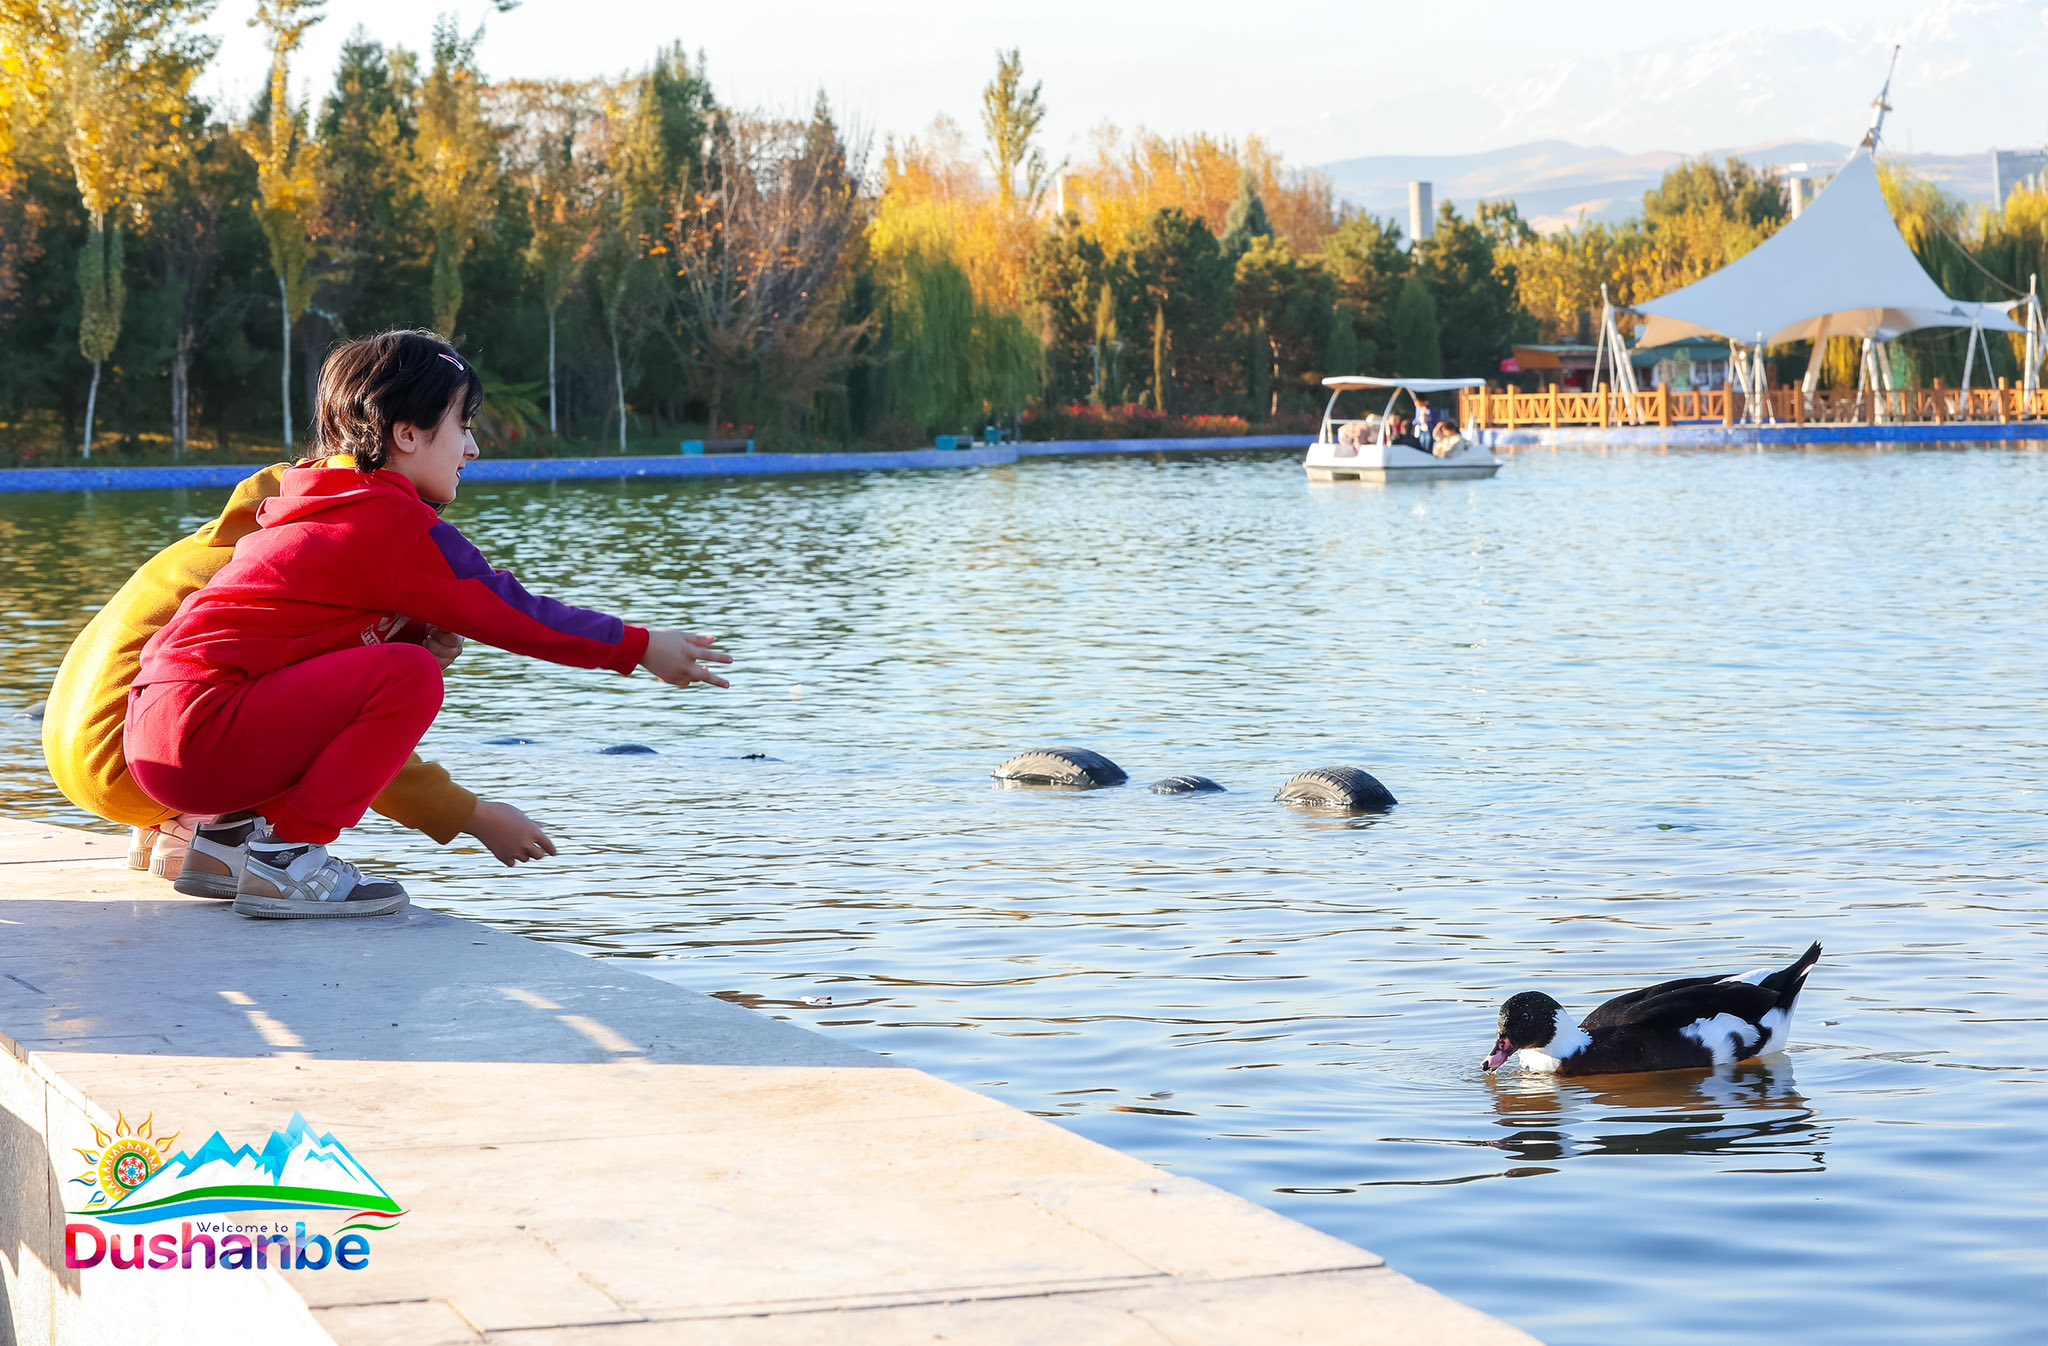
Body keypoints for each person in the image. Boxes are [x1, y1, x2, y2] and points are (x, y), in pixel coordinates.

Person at [120, 329, 731, 919]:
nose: (473, 448)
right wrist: (638, 646)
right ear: (407, 433)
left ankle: (228, 845)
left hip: (157, 737)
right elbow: (515, 614)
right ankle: (288, 859)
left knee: (395, 659)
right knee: (410, 675)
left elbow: (292, 655)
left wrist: (399, 631)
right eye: (463, 426)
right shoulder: (391, 523)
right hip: (204, 737)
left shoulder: (311, 508)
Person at [42, 463, 553, 897]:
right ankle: (227, 839)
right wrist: (472, 815)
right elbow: (343, 730)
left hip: (80, 756)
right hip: (141, 765)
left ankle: (182, 830)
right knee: (364, 699)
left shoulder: (240, 542)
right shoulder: (305, 564)